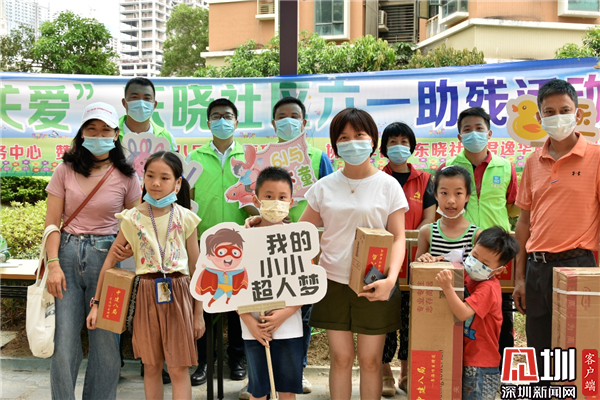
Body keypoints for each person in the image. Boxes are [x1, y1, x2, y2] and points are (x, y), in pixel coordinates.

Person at [301, 108, 407, 399]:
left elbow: (399, 237)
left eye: (359, 135)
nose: (352, 142)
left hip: (375, 282)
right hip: (332, 282)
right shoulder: (323, 187)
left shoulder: (388, 186)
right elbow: (302, 233)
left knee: (371, 361)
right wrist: (264, 222)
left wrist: (390, 280)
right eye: (343, 137)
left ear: (372, 140)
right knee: (341, 359)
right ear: (335, 145)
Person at [86, 151, 205, 400]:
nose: (156, 183)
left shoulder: (186, 218)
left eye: (164, 177)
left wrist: (198, 314)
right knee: (151, 367)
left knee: (178, 368)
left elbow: (196, 268)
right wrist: (96, 303)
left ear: (178, 182)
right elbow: (109, 262)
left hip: (180, 293)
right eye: (150, 176)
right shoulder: (131, 218)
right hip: (146, 293)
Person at [44, 102, 141, 400]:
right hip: (67, 257)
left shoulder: (127, 176)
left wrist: (127, 247)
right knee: (64, 341)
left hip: (108, 261)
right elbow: (52, 223)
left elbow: (135, 224)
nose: (99, 135)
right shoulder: (64, 170)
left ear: (116, 135)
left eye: (106, 130)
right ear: (82, 133)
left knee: (106, 342)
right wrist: (53, 264)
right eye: (92, 129)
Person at [512, 79, 599, 371]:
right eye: (549, 112)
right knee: (540, 354)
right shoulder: (533, 162)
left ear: (578, 114)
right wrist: (520, 278)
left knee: (577, 355)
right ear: (539, 118)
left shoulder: (597, 157)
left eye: (564, 110)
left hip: (579, 266)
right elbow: (524, 223)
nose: (557, 117)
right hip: (537, 269)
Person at [443, 107, 520, 369]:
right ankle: (463, 373)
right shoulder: (448, 167)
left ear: (489, 133)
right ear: (459, 136)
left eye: (479, 128)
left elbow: (512, 206)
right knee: (461, 316)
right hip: (461, 253)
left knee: (501, 316)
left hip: (494, 255)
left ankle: (502, 373)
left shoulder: (506, 167)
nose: (473, 133)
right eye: (467, 129)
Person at [271, 96, 334, 393]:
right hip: (271, 246)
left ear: (304, 122)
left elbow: (332, 200)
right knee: (268, 308)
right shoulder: (264, 157)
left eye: (294, 116)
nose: (288, 121)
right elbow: (250, 197)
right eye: (282, 116)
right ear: (274, 124)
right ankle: (265, 373)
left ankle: (299, 368)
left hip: (307, 247)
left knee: (302, 311)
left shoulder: (319, 157)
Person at [186, 98, 250, 386]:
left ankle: (237, 359)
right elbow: (185, 200)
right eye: (216, 116)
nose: (222, 121)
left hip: (241, 241)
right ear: (208, 122)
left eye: (227, 116)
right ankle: (203, 361)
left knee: (238, 302)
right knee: (206, 301)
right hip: (203, 240)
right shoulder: (195, 158)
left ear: (236, 122)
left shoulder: (249, 157)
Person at [379, 122, 436, 395]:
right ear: (384, 148)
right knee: (384, 318)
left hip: (416, 259)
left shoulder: (425, 179)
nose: (399, 146)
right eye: (393, 142)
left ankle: (405, 373)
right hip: (383, 260)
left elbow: (429, 219)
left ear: (412, 146)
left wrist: (410, 241)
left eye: (404, 142)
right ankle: (385, 374)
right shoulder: (377, 178)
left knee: (411, 318)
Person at [238, 166, 303, 400]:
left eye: (282, 197)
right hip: (253, 329)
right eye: (268, 196)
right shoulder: (241, 239)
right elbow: (232, 288)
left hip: (289, 327)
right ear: (256, 200)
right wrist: (250, 322)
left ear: (291, 202)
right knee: (258, 391)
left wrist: (286, 312)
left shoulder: (298, 238)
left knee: (286, 391)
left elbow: (308, 285)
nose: (276, 202)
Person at [435, 226, 519, 400]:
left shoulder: (488, 288)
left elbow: (464, 313)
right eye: (474, 256)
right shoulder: (469, 276)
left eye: (485, 264)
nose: (475, 264)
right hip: (469, 359)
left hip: (480, 365)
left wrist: (447, 288)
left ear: (498, 270)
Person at [415, 165, 481, 263]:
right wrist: (423, 260)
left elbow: (481, 270)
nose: (451, 201)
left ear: (467, 196)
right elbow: (415, 268)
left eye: (458, 193)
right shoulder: (427, 232)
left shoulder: (476, 235)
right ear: (436, 195)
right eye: (444, 193)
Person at [118, 77, 177, 151]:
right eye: (134, 97)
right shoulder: (111, 134)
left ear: (154, 105)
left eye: (147, 98)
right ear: (124, 103)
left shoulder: (166, 137)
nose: (141, 103)